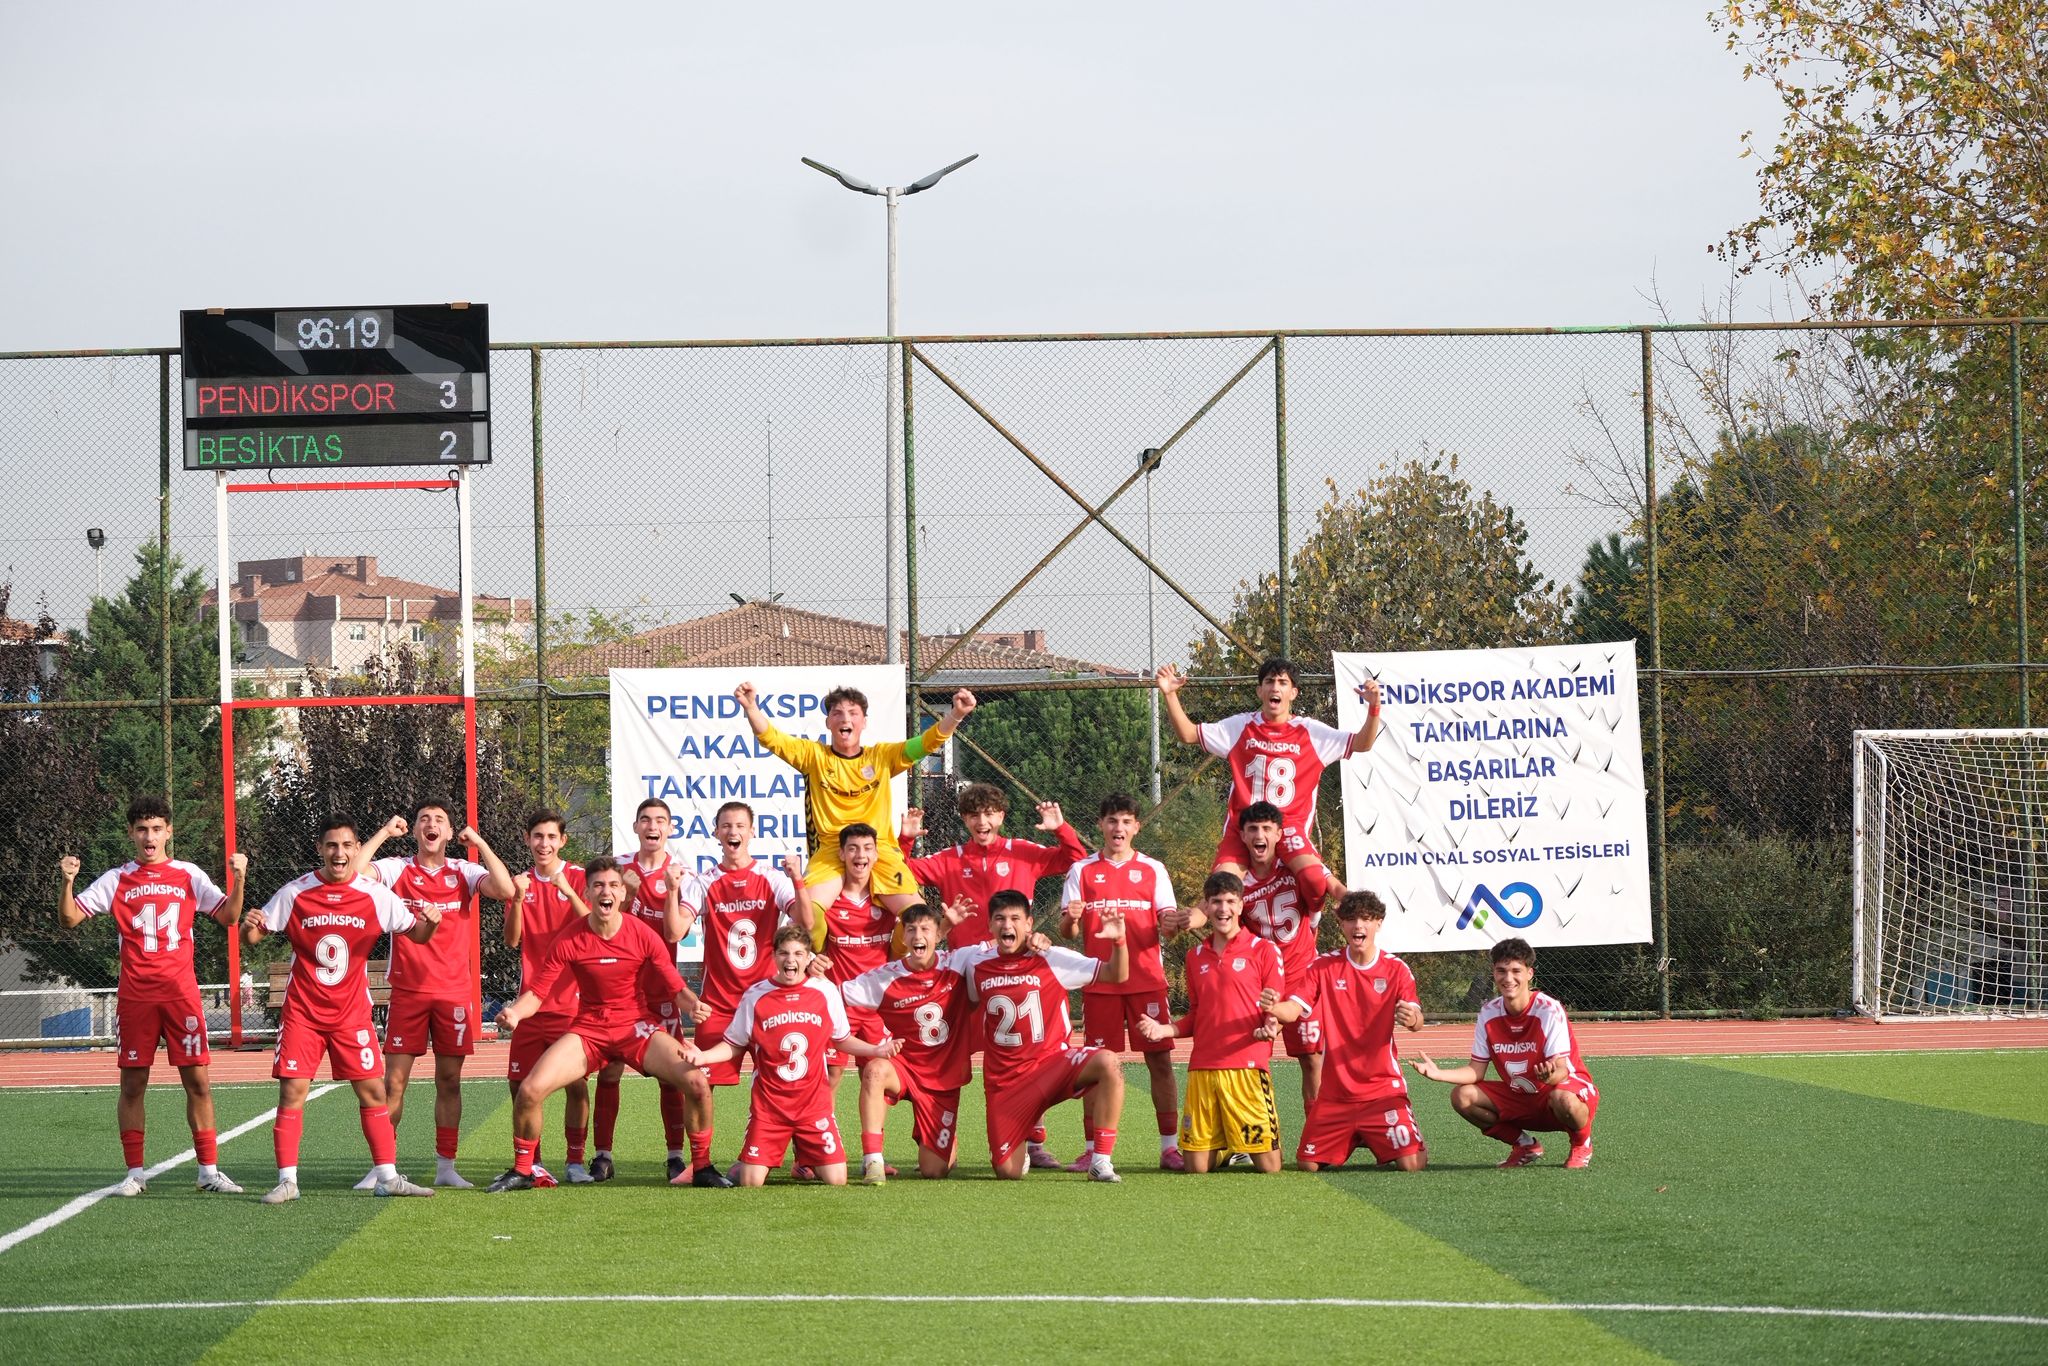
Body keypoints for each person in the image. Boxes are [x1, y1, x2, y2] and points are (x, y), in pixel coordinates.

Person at [58, 796, 250, 1196]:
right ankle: (134, 1173)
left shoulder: (188, 874)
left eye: (157, 829)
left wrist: (240, 879)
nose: (150, 837)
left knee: (198, 1082)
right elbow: (71, 918)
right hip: (136, 996)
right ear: (131, 833)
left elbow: (229, 917)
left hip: (181, 994)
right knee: (132, 1085)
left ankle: (209, 1171)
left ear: (169, 832)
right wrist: (67, 882)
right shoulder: (117, 879)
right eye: (142, 829)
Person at [244, 818, 441, 1203]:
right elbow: (255, 935)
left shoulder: (375, 894)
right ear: (320, 848)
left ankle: (387, 1177)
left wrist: (430, 925)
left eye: (348, 845)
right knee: (292, 1093)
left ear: (356, 849)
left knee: (373, 1093)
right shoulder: (296, 892)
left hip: (352, 1014)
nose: (340, 853)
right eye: (332, 845)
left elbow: (415, 933)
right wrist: (250, 924)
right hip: (303, 1012)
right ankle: (287, 1181)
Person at [486, 859, 709, 1192]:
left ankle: (701, 1167)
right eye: (599, 886)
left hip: (635, 1028)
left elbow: (675, 986)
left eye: (613, 885)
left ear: (622, 893)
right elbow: (539, 992)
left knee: (696, 1083)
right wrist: (516, 1013)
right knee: (529, 1091)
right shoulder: (569, 938)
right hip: (589, 1030)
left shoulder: (641, 933)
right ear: (587, 892)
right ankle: (524, 1170)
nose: (606, 891)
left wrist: (694, 1004)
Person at [898, 784, 1087, 1168]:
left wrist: (1060, 829)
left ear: (1001, 816)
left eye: (989, 813)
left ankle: (1033, 1141)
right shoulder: (950, 858)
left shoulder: (1023, 852)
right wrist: (904, 840)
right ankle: (940, 1136)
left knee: (1028, 1054)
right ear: (964, 820)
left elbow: (1075, 858)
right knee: (949, 1057)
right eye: (973, 815)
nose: (981, 821)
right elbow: (901, 872)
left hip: (1017, 971)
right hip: (967, 975)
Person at [347, 802, 518, 1190]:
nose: (431, 824)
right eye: (424, 819)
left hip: (453, 993)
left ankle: (446, 1166)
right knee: (393, 1084)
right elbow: (356, 873)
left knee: (450, 1082)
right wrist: (384, 832)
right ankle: (382, 1167)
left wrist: (479, 843)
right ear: (416, 831)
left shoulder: (463, 871)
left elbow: (506, 890)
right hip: (408, 991)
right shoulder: (397, 867)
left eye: (439, 820)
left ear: (449, 831)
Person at [734, 680, 975, 923]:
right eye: (836, 713)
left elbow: (926, 743)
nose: (844, 718)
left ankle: (895, 959)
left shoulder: (881, 757)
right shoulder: (813, 756)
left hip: (879, 850)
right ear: (828, 722)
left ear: (864, 722)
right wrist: (751, 708)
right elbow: (772, 738)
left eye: (852, 713)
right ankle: (819, 962)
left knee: (920, 919)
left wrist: (955, 714)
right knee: (807, 919)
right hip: (831, 851)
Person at [682, 925, 897, 1187]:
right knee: (751, 1182)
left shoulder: (825, 992)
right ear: (774, 957)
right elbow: (734, 1044)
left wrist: (875, 1050)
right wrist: (703, 1057)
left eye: (798, 953)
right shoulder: (756, 995)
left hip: (814, 1106)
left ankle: (799, 1158)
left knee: (837, 1180)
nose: (790, 960)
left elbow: (841, 1039)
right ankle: (748, 1163)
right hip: (770, 1108)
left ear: (808, 958)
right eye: (783, 953)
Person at [1155, 657, 1379, 907]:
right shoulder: (1240, 726)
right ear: (1259, 690)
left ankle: (1311, 922)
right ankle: (1233, 942)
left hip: (1288, 827)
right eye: (1269, 681)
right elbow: (1188, 734)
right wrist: (1170, 695)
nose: (1275, 687)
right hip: (1244, 827)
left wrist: (1374, 709)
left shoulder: (1311, 732)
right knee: (1221, 888)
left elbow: (1363, 743)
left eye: (1283, 682)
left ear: (1293, 692)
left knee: (1315, 881)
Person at [1059, 792, 1200, 1171]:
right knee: (1097, 1065)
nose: (1118, 828)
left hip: (1146, 981)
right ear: (1101, 826)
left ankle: (1169, 1147)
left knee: (1160, 1060)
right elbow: (1068, 930)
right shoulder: (1082, 871)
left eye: (1126, 821)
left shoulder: (1153, 869)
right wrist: (1072, 918)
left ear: (1137, 827)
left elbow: (1168, 927)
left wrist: (1172, 924)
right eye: (1111, 820)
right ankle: (1092, 1148)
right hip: (1100, 982)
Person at [959, 889, 1129, 1183]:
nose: (1007, 925)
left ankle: (1100, 1160)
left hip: (1052, 1065)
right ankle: (1021, 1144)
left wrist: (1119, 941)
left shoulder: (1050, 957)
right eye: (999, 919)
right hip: (1006, 1082)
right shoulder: (975, 962)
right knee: (1007, 1172)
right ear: (989, 925)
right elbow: (968, 995)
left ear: (1029, 923)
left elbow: (1117, 974)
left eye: (1015, 918)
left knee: (1108, 1063)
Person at [680, 801, 806, 1185]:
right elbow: (676, 931)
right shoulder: (702, 881)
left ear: (752, 832)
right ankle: (698, 1163)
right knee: (699, 1080)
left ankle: (804, 1155)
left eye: (740, 825)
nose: (733, 832)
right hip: (719, 1002)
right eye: (725, 826)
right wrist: (672, 892)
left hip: (768, 999)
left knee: (790, 1076)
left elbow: (806, 922)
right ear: (716, 833)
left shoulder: (772, 877)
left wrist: (798, 879)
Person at [1134, 872, 1287, 1173]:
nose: (1223, 909)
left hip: (1248, 1069)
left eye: (1230, 901)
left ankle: (1237, 1144)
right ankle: (1230, 1150)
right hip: (1203, 1067)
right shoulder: (1195, 956)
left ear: (1242, 906)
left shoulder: (1264, 951)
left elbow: (1275, 1007)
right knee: (1195, 1167)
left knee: (1270, 1167)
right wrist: (1164, 1029)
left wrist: (1272, 1024)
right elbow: (1197, 1015)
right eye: (1216, 902)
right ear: (1206, 906)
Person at [1267, 890, 1427, 1173]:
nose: (1359, 926)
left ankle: (1369, 1131)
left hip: (1382, 1091)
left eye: (1366, 919)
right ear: (1342, 925)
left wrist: (1410, 1017)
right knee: (1307, 1165)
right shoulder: (1323, 966)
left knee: (1412, 1164)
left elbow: (1416, 1019)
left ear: (1378, 923)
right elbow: (1294, 1009)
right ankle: (1357, 1133)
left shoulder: (1396, 969)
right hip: (1335, 1095)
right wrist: (1272, 1006)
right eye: (1351, 919)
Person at [1411, 936, 1597, 1168]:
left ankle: (1581, 1143)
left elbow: (1561, 1069)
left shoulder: (1548, 1010)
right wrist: (1439, 1074)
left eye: (1516, 971)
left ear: (1530, 973)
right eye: (1501, 971)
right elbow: (1475, 1071)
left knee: (1564, 1099)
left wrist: (1551, 1076)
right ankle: (1525, 1145)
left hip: (1557, 1092)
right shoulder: (1488, 1013)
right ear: (1494, 972)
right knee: (1462, 1096)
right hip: (1521, 1095)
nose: (1508, 978)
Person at [592, 797, 700, 1185]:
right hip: (619, 993)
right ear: (635, 827)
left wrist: (661, 891)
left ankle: (675, 1156)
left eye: (660, 821)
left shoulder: (683, 875)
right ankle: (602, 1154)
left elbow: (674, 933)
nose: (652, 826)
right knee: (609, 1073)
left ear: (670, 829)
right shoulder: (618, 869)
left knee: (672, 1077)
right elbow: (602, 921)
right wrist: (630, 894)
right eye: (645, 820)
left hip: (662, 994)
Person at [842, 900, 976, 1183]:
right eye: (911, 929)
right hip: (903, 1067)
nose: (918, 936)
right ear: (902, 937)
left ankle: (936, 1135)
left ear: (937, 933)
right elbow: (834, 995)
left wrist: (1035, 941)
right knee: (875, 1069)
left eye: (925, 929)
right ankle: (873, 1161)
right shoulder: (884, 977)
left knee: (935, 1170)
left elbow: (1000, 952)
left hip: (942, 1078)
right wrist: (812, 972)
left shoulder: (959, 962)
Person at [503, 808, 592, 1186]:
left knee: (576, 1084)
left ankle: (575, 1160)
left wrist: (567, 890)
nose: (544, 843)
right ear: (527, 839)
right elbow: (511, 940)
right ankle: (532, 1161)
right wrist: (519, 898)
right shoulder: (519, 883)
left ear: (563, 841)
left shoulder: (577, 877)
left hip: (571, 1003)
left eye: (551, 837)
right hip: (530, 1005)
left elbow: (594, 925)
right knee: (519, 1086)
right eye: (538, 836)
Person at [1235, 800, 1338, 1117]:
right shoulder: (1238, 882)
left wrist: (1345, 899)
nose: (1259, 835)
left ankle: (1317, 1133)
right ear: (1242, 836)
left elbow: (1322, 883)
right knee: (1248, 1056)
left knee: (1311, 1058)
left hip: (1301, 979)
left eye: (1267, 828)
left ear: (1279, 833)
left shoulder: (1297, 870)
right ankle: (1247, 1137)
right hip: (1261, 983)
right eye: (1252, 828)